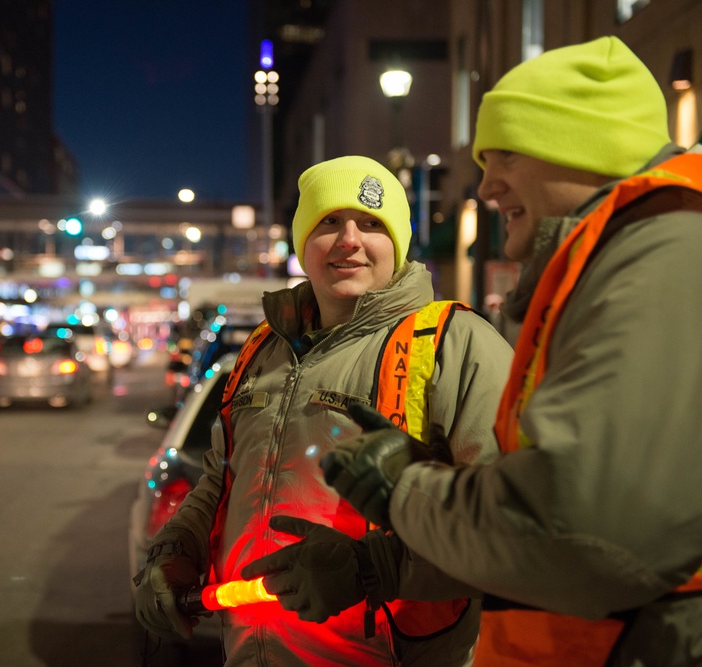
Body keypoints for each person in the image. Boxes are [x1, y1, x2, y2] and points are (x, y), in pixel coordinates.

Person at [319, 36, 702, 665]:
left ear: (585, 149)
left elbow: (584, 534)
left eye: (506, 156)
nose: (487, 185)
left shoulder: (657, 260)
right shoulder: (631, 258)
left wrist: (405, 488)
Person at [133, 155, 515, 665]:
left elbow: (507, 521)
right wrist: (178, 545)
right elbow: (220, 481)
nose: (349, 240)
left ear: (398, 244)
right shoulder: (261, 350)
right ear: (303, 244)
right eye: (328, 222)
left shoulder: (456, 345)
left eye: (372, 223)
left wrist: (372, 569)